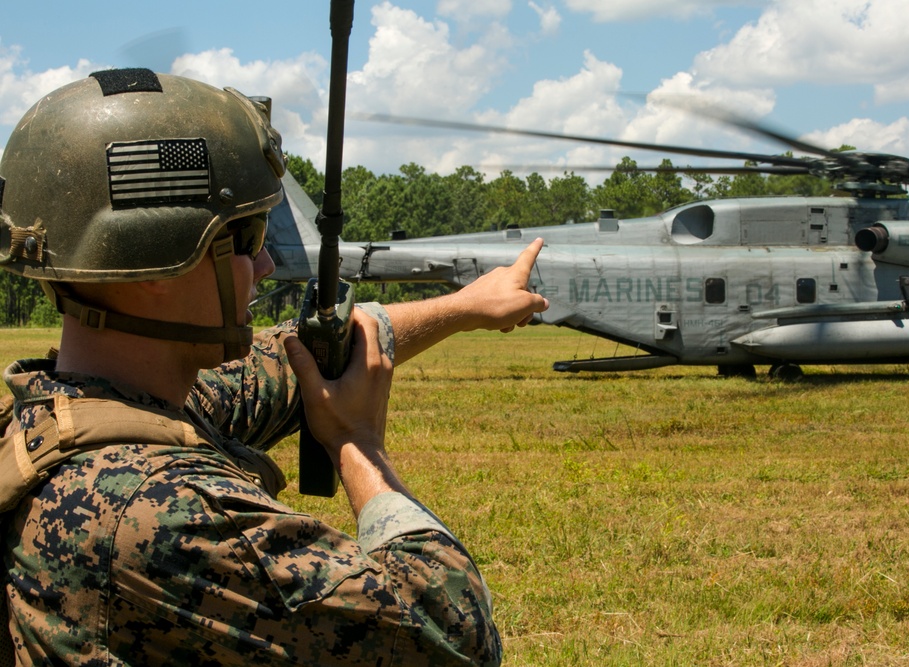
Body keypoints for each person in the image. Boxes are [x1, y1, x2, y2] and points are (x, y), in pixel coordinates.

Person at [0, 68, 548, 665]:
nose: (263, 264)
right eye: (245, 237)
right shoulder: (164, 516)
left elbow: (293, 360)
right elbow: (449, 634)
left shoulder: (59, 413)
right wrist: (359, 446)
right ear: (157, 264)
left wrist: (468, 306)